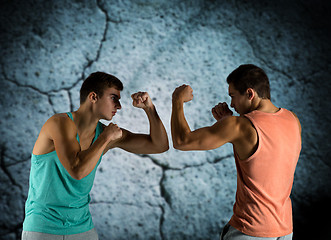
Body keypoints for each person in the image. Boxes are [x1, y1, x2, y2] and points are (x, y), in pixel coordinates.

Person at [22, 72, 169, 240]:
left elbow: (159, 145)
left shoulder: (104, 133)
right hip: (43, 228)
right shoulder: (59, 123)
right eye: (114, 98)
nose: (119, 106)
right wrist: (105, 138)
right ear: (93, 97)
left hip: (83, 228)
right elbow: (76, 171)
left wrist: (150, 109)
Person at [171, 64, 301, 240]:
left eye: (233, 96)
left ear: (249, 93)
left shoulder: (239, 126)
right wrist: (229, 123)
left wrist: (177, 100)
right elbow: (267, 156)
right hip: (284, 231)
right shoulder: (293, 120)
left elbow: (182, 141)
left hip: (250, 231)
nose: (231, 103)